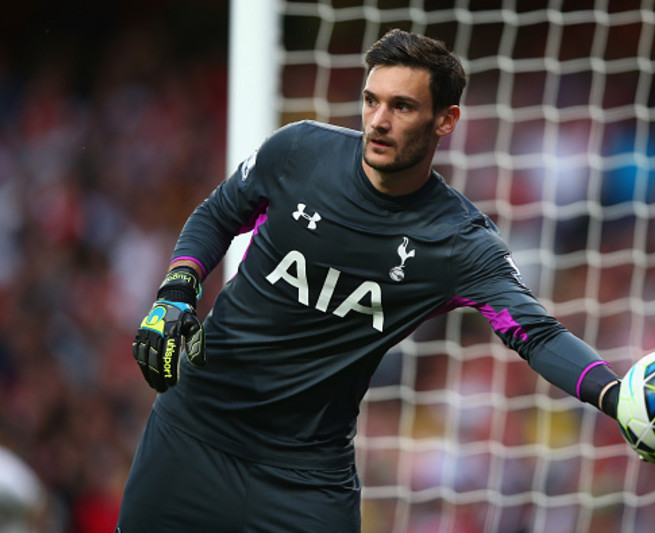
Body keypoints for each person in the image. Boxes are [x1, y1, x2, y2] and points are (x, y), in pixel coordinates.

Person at [116, 29, 621, 532]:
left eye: (401, 107)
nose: (378, 121)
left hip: (307, 477)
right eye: (371, 100)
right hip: (192, 434)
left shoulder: (459, 243)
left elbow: (537, 333)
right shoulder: (299, 151)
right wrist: (177, 293)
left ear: (446, 120)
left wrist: (615, 397)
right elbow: (219, 214)